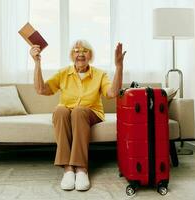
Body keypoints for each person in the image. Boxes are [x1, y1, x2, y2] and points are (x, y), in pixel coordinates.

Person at [30, 40, 126, 191]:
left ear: (91, 55)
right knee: (60, 110)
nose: (80, 54)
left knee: (79, 111)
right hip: (68, 112)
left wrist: (119, 66)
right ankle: (68, 169)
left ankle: (81, 168)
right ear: (71, 55)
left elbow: (112, 93)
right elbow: (41, 89)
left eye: (85, 51)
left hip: (91, 113)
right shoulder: (63, 73)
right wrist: (37, 63)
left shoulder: (100, 74)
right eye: (76, 51)